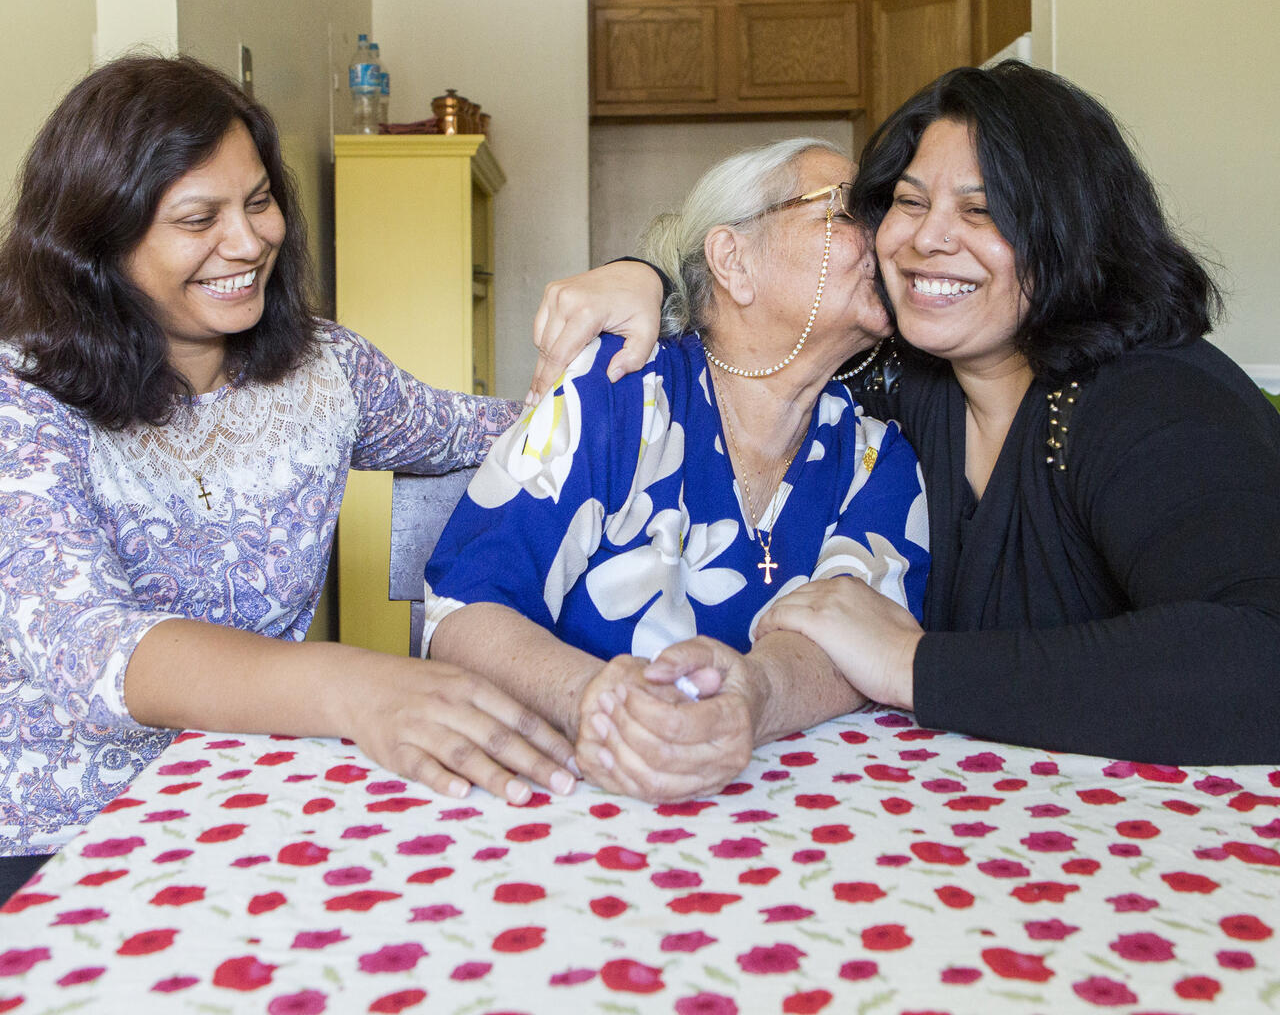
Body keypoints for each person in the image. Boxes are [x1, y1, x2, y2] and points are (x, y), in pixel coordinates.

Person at [528, 63, 1280, 766]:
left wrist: (910, 665)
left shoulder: (1150, 395)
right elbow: (760, 348)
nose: (926, 238)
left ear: (1072, 236)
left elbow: (1258, 655)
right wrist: (652, 280)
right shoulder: (909, 385)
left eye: (982, 211)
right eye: (910, 202)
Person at [0, 55, 575, 905]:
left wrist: (632, 305)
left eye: (260, 201)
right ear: (98, 243)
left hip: (256, 802)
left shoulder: (325, 370)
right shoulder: (23, 398)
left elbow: (490, 430)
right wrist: (358, 683)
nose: (249, 242)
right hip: (61, 842)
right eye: (199, 217)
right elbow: (91, 650)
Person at [424, 139, 929, 801]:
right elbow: (464, 610)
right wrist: (594, 702)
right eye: (844, 211)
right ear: (733, 261)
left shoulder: (876, 457)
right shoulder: (618, 394)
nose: (885, 236)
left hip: (787, 823)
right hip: (569, 798)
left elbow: (870, 645)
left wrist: (754, 695)